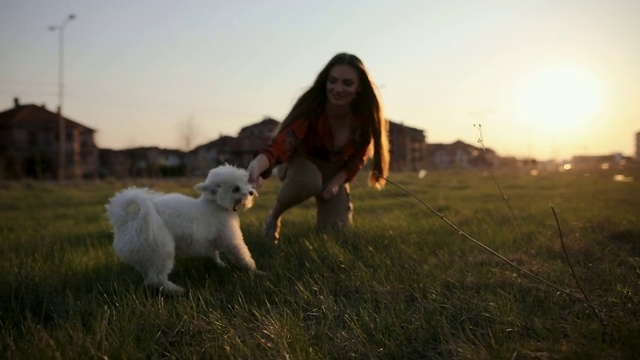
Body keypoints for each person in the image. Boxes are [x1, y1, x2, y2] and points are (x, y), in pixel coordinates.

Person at [246, 52, 390, 242]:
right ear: (325, 82)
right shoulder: (312, 110)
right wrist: (257, 166)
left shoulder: (364, 119)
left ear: (359, 88)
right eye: (333, 81)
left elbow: (358, 158)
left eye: (347, 83)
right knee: (310, 179)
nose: (338, 88)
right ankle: (273, 217)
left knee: (335, 235)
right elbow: (280, 145)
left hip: (334, 173)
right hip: (300, 165)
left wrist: (336, 183)